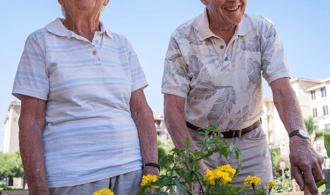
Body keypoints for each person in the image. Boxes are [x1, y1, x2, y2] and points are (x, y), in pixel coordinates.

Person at [161, 0, 323, 194]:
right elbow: (173, 109)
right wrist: (193, 161)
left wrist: (299, 138)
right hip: (198, 146)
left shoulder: (263, 28)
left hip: (251, 146)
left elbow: (282, 89)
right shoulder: (181, 37)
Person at [12, 0, 159, 194]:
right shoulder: (40, 41)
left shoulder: (122, 44)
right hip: (71, 177)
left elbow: (141, 112)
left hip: (131, 172)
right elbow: (31, 120)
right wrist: (38, 188)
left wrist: (151, 166)